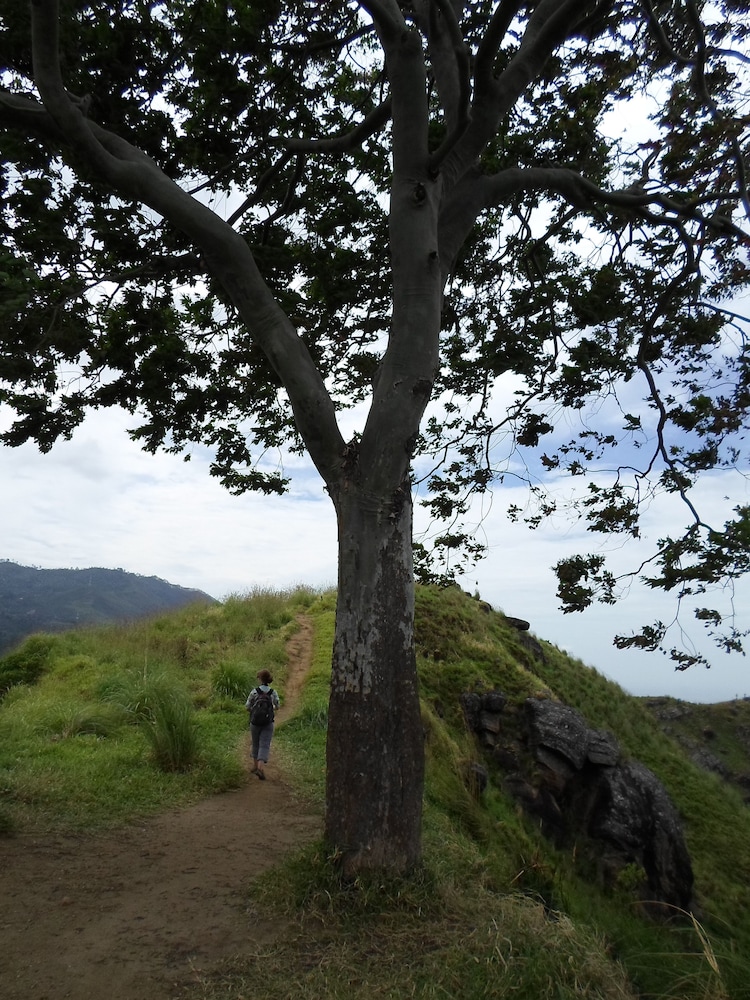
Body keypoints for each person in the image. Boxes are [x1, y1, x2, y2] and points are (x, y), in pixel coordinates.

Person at [245, 669, 280, 780]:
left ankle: (255, 766)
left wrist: (255, 710)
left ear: (260, 679)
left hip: (255, 722)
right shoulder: (273, 692)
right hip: (268, 722)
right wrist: (270, 708)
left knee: (255, 743)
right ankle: (260, 768)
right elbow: (277, 706)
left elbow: (247, 706)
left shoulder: (254, 692)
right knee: (264, 744)